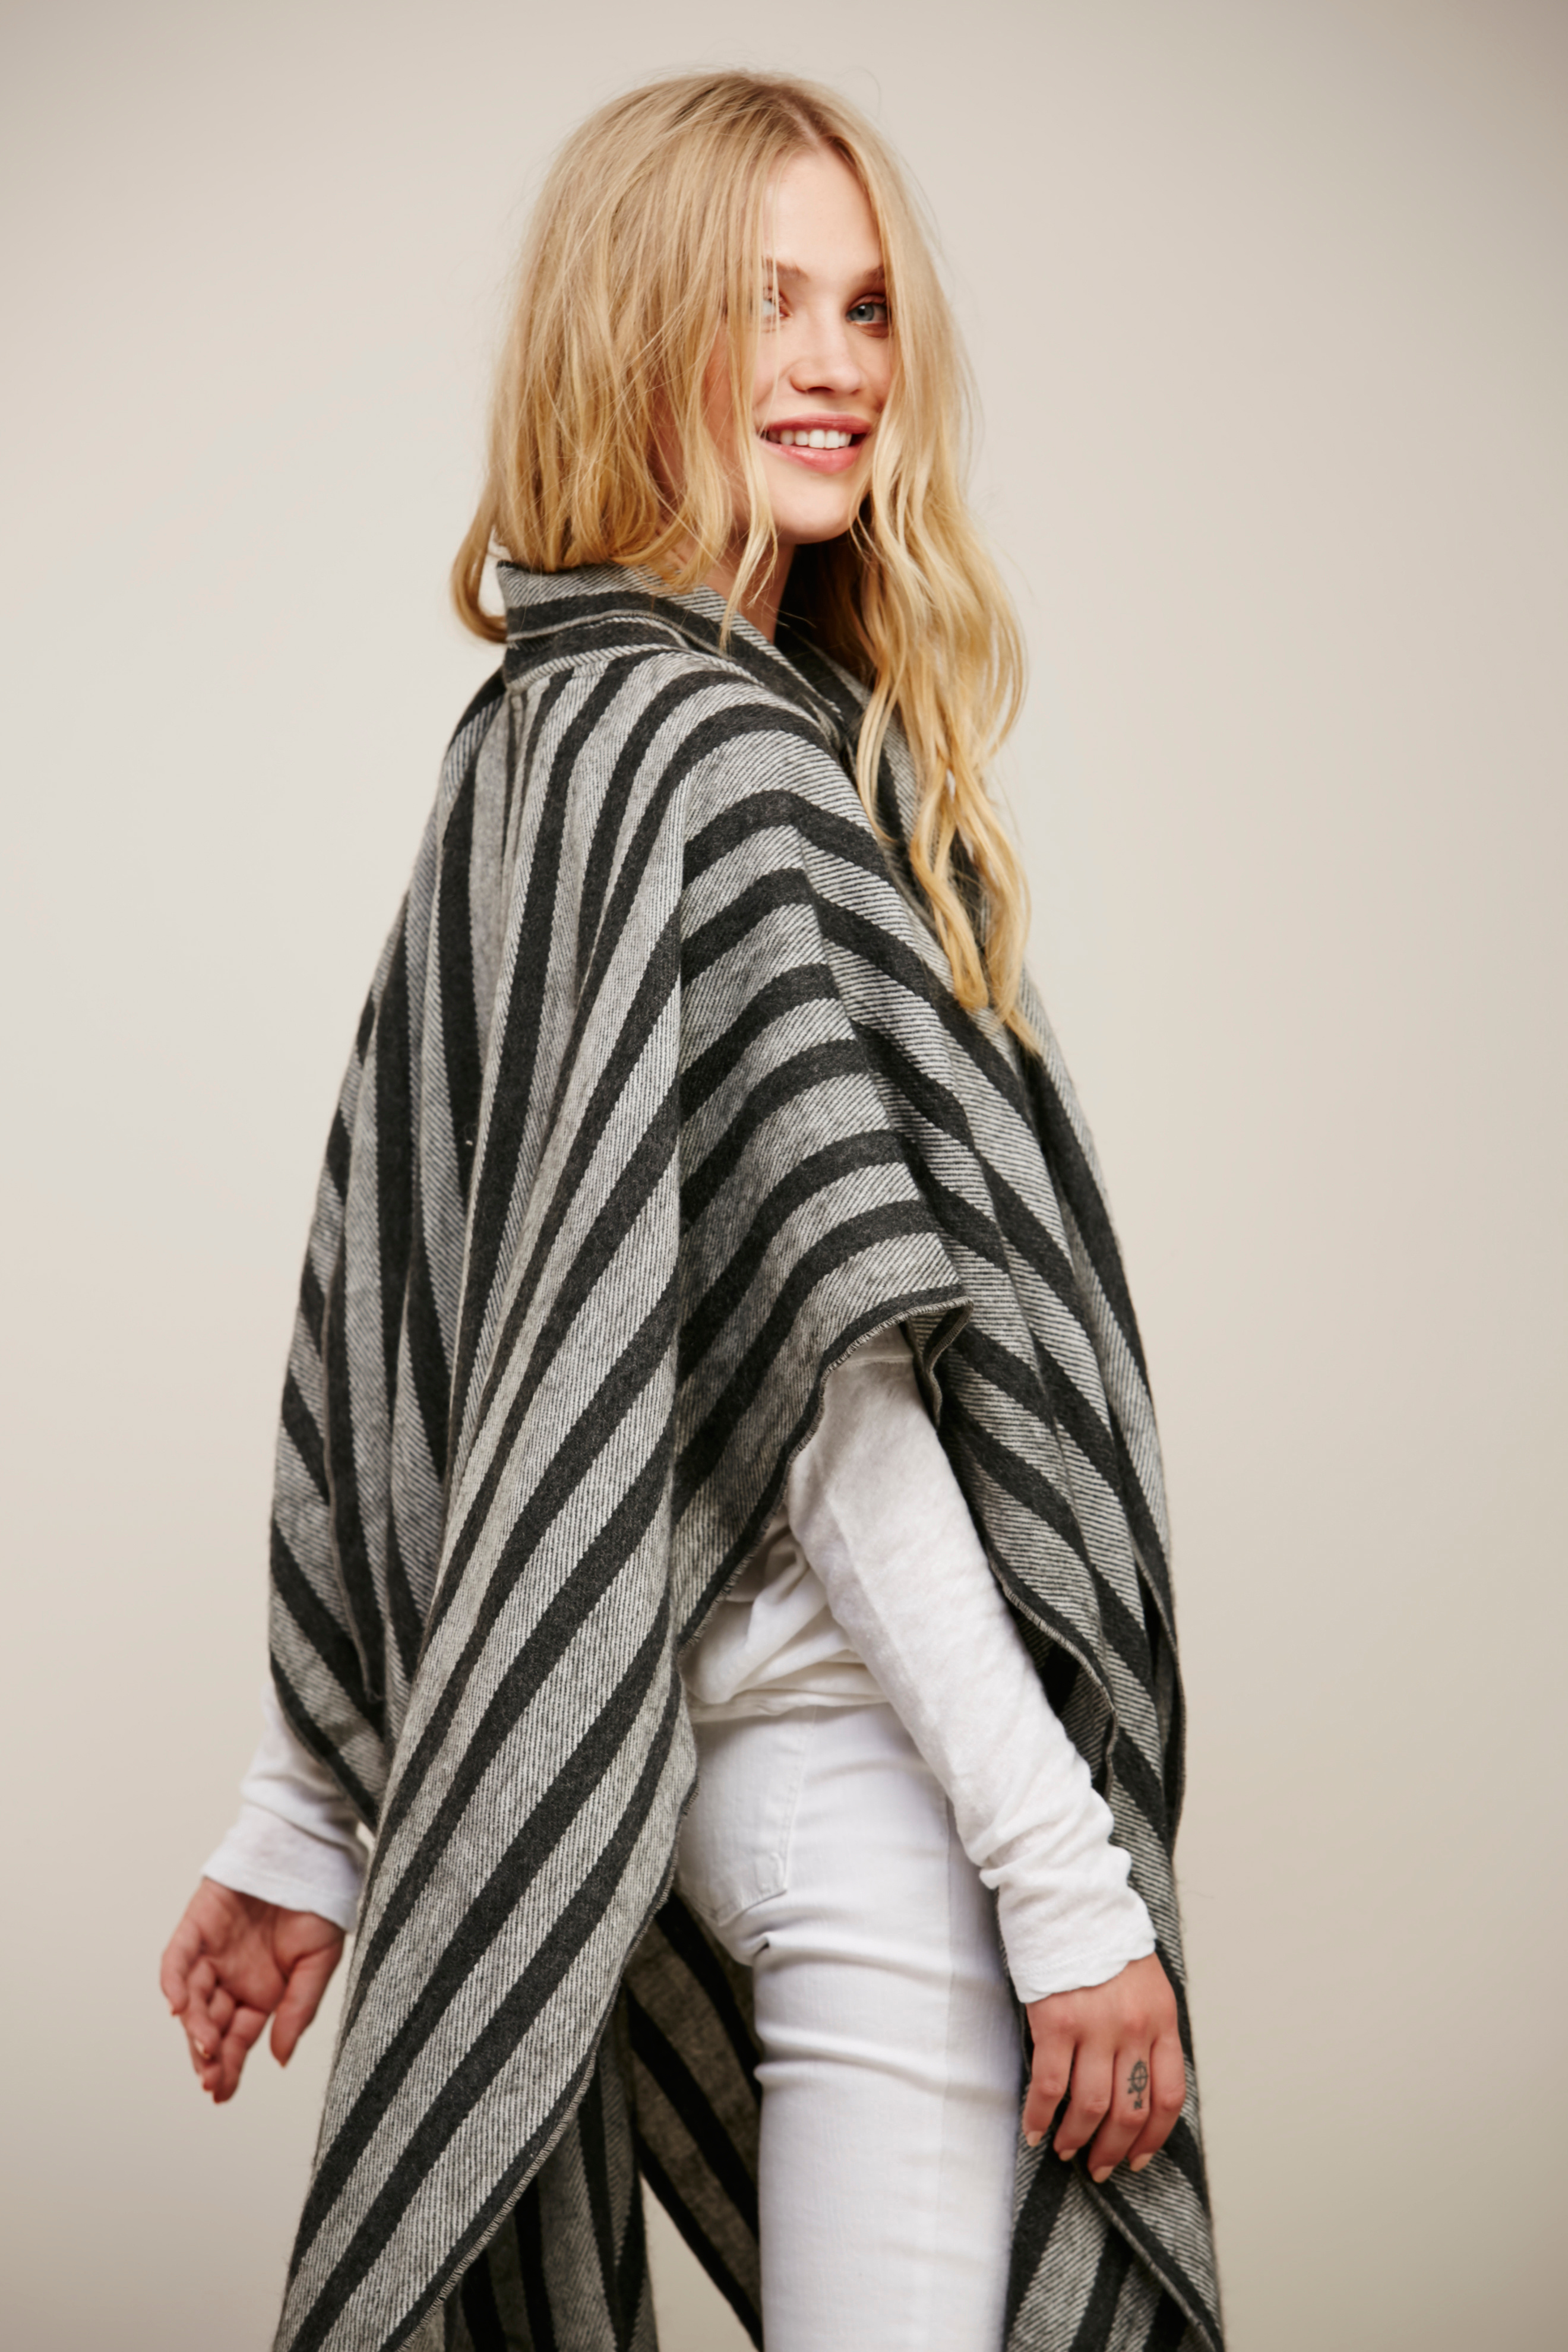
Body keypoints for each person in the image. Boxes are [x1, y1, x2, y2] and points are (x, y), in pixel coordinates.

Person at [160, 70, 1222, 2352]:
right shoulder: (716, 757)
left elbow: (432, 1324)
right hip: (861, 1793)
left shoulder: (546, 733)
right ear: (634, 327)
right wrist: (1065, 1878)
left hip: (656, 1769)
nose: (837, 366)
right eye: (766, 305)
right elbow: (823, 1392)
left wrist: (307, 1813)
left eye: (868, 307)